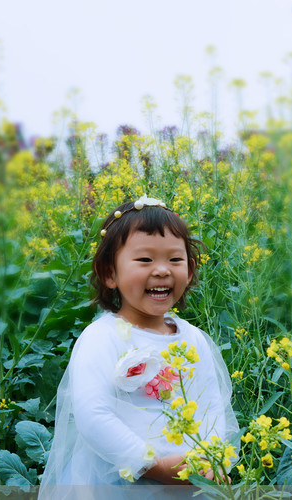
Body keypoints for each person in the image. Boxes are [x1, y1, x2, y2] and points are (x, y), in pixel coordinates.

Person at [40, 195, 238, 491]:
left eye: (175, 259)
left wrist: (209, 459)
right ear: (110, 273)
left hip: (188, 477)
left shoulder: (193, 338)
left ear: (191, 269)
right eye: (145, 260)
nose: (162, 270)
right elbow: (93, 416)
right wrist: (151, 466)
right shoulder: (101, 337)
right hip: (119, 482)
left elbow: (212, 405)